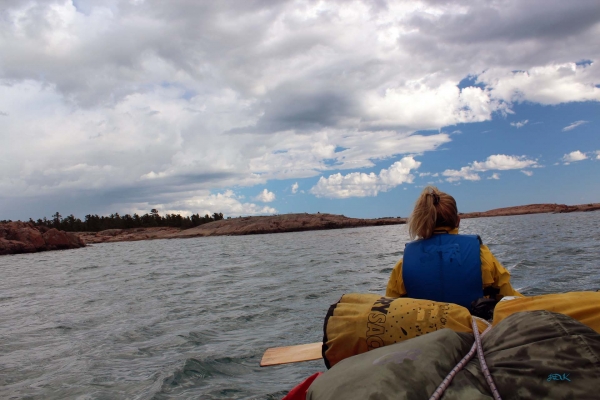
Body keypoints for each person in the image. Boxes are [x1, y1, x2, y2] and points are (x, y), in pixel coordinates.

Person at [385, 186, 522, 308]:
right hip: (475, 329)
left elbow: (389, 306)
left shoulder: (403, 265)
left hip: (424, 332)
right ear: (457, 221)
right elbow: (509, 296)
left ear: (421, 221)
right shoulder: (482, 255)